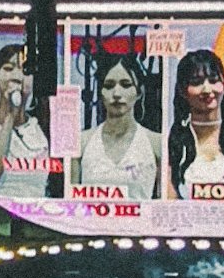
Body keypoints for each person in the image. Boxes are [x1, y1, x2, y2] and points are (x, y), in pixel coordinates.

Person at [167, 49, 224, 199]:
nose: (207, 89)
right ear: (183, 91)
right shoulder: (174, 145)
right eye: (196, 82)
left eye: (213, 80)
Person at [69, 53, 161, 199]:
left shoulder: (156, 143)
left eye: (126, 85)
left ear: (139, 92)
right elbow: (70, 203)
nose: (117, 93)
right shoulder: (81, 142)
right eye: (109, 86)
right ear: (100, 92)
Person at [0, 44, 51, 197]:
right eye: (8, 69)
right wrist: (10, 116)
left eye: (25, 70)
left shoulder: (41, 127)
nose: (17, 76)